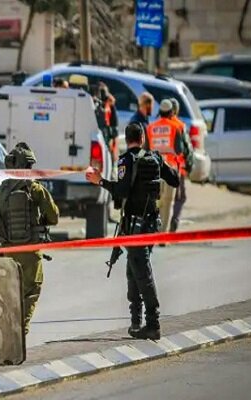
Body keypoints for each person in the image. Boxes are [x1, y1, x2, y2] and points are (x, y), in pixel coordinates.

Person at [85, 123, 179, 340]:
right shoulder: (154, 157)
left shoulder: (126, 160)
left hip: (136, 226)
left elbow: (121, 190)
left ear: (126, 140)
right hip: (151, 224)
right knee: (133, 270)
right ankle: (136, 322)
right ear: (143, 138)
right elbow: (174, 179)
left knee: (142, 272)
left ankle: (152, 323)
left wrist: (99, 181)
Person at [0, 143, 59, 335]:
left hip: (7, 254)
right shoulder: (35, 189)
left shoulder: (2, 190)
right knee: (31, 292)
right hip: (31, 253)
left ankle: (8, 333)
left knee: (9, 295)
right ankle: (20, 331)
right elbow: (54, 217)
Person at [145, 99, 184, 234]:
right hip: (170, 168)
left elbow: (146, 149)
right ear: (171, 112)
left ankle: (152, 229)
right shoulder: (175, 127)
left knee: (156, 200)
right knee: (168, 202)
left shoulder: (150, 127)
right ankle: (163, 234)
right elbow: (179, 150)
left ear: (160, 112)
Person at [169, 98, 194, 232]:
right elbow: (187, 149)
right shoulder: (179, 125)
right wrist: (189, 166)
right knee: (180, 197)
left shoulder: (157, 125)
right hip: (177, 168)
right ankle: (174, 220)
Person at [95, 82, 119, 161]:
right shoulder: (95, 106)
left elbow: (115, 131)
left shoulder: (110, 107)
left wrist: (114, 153)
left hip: (107, 143)